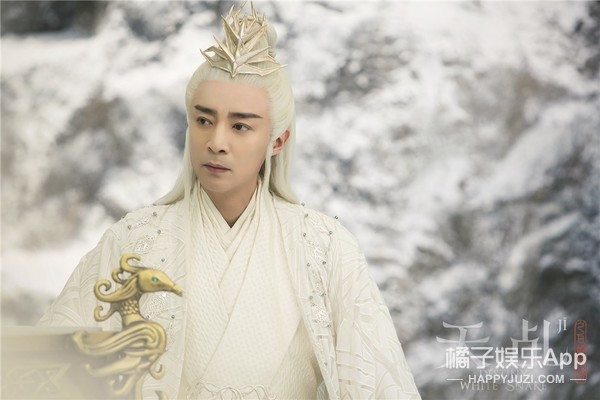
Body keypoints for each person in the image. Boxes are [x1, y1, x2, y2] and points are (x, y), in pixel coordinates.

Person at [39, 3, 421, 399]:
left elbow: (380, 385)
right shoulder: (134, 240)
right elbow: (51, 370)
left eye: (240, 126)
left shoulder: (325, 247)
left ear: (277, 140)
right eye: (204, 120)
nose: (217, 142)